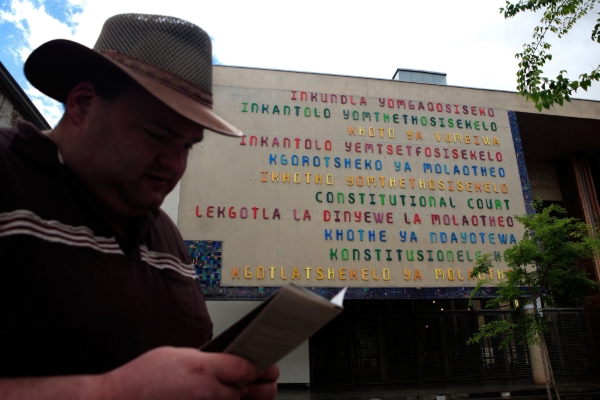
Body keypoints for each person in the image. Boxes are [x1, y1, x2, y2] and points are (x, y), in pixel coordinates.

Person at [0, 13, 278, 399]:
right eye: (157, 135)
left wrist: (225, 383)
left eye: (187, 146)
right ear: (82, 104)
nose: (175, 163)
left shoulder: (168, 236)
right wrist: (112, 391)